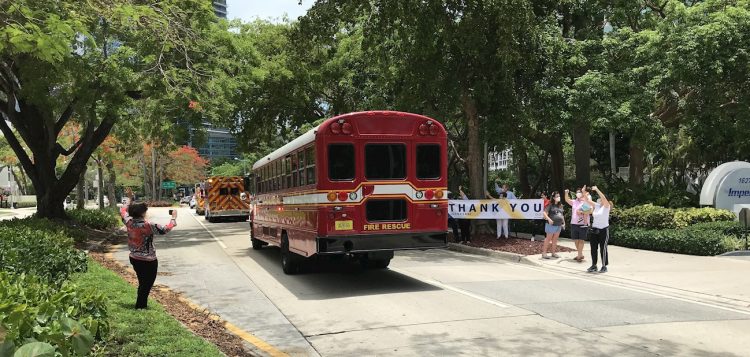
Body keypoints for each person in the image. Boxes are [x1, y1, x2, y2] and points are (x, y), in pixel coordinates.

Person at [120, 187, 177, 309]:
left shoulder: (128, 222)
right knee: (147, 283)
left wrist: (129, 197)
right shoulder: (148, 225)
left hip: (134, 258)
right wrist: (173, 218)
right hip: (149, 260)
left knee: (143, 282)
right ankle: (140, 306)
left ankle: (141, 305)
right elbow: (165, 229)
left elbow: (123, 210)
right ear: (142, 213)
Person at [587, 186, 612, 273]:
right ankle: (594, 265)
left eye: (601, 199)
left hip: (603, 230)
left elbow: (604, 198)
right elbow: (587, 201)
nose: (599, 199)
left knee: (603, 248)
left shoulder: (606, 206)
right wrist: (583, 192)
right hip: (594, 229)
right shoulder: (597, 206)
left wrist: (597, 189)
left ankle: (604, 266)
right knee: (593, 248)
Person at [565, 186, 592, 262]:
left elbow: (590, 211)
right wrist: (566, 193)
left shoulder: (586, 201)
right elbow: (567, 200)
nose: (578, 193)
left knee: (581, 240)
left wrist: (581, 212)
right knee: (576, 240)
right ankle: (580, 254)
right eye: (577, 192)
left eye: (579, 192)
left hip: (583, 223)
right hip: (574, 223)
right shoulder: (574, 201)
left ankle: (579, 256)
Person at [542, 191, 565, 259]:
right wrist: (549, 219)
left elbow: (562, 215)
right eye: (557, 196)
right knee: (548, 239)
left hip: (558, 225)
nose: (559, 197)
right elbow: (544, 213)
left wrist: (564, 223)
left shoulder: (560, 205)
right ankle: (544, 253)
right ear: (554, 198)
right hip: (551, 225)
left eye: (559, 196)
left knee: (555, 239)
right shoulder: (550, 204)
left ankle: (553, 253)